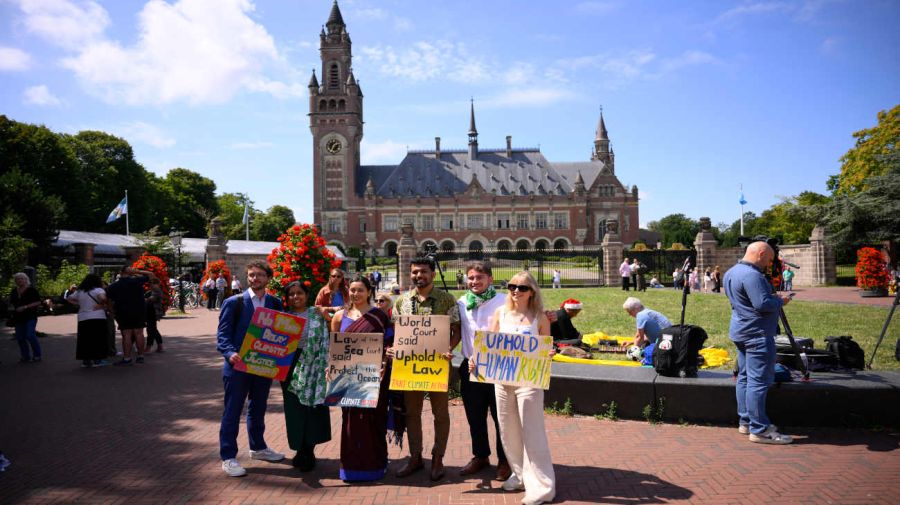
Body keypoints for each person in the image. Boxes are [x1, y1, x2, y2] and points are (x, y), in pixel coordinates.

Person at [483, 271, 556, 505]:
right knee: (508, 430)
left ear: (532, 292)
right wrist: (478, 359)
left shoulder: (540, 317)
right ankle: (520, 474)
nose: (516, 291)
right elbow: (489, 344)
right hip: (503, 381)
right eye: (512, 286)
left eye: (522, 288)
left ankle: (542, 487)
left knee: (532, 433)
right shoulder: (500, 313)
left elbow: (546, 349)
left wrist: (549, 354)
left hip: (529, 382)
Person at [392, 257, 461, 481]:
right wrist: (394, 349)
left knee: (440, 413)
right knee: (412, 413)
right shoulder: (402, 301)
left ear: (432, 274)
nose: (418, 276)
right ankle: (415, 457)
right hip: (410, 367)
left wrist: (449, 349)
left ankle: (438, 457)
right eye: (414, 272)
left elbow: (457, 330)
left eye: (423, 272)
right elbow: (398, 331)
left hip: (437, 366)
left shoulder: (446, 299)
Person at [216, 261, 285, 477]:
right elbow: (223, 335)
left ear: (268, 278)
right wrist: (229, 352)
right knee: (232, 410)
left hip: (263, 365)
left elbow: (282, 332)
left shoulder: (275, 302)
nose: (255, 278)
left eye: (260, 275)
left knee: (258, 408)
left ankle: (258, 448)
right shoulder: (234, 302)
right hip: (238, 366)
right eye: (252, 275)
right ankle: (228, 457)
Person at [331, 275, 401, 482]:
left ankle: (377, 465)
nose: (356, 294)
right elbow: (335, 346)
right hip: (348, 378)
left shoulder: (379, 316)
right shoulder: (339, 316)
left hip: (374, 376)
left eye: (360, 290)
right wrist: (331, 368)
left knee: (373, 421)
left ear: (369, 292)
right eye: (352, 290)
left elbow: (389, 342)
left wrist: (386, 360)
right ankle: (350, 468)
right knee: (350, 422)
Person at [724, 242, 794, 444]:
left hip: (741, 331)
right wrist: (781, 300)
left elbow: (743, 301)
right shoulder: (753, 275)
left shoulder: (732, 272)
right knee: (758, 382)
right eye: (769, 259)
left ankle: (746, 421)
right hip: (757, 334)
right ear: (761, 254)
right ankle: (760, 429)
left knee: (744, 378)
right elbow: (762, 304)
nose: (769, 264)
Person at [456, 261, 511, 481]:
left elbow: (526, 318)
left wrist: (549, 317)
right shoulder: (461, 302)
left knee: (502, 417)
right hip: (470, 366)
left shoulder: (504, 301)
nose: (474, 282)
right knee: (474, 415)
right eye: (471, 278)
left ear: (490, 278)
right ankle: (480, 455)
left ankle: (505, 460)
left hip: (498, 367)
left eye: (479, 277)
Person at [280, 281, 331, 472]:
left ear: (306, 295)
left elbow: (327, 337)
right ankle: (299, 448)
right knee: (293, 407)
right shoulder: (283, 317)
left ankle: (309, 448)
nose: (295, 297)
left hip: (314, 365)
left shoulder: (317, 314)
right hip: (289, 365)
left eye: (299, 293)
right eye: (291, 294)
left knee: (312, 406)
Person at [106, 267, 156, 366]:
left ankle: (127, 358)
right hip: (139, 311)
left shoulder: (113, 286)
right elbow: (151, 274)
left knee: (126, 334)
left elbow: (109, 301)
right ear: (130, 272)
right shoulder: (137, 281)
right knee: (139, 333)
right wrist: (137, 271)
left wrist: (112, 311)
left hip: (123, 312)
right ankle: (140, 356)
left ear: (120, 272)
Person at [68, 273, 110, 368]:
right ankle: (97, 360)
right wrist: (102, 304)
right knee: (98, 339)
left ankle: (86, 360)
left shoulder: (80, 291)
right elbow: (103, 298)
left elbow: (69, 298)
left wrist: (79, 304)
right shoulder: (98, 290)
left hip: (83, 317)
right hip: (97, 317)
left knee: (85, 340)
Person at [9, 272, 42, 363]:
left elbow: (38, 302)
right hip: (18, 317)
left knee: (30, 335)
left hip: (30, 316)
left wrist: (25, 307)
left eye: (21, 278)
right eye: (17, 279)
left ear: (26, 279)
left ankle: (37, 355)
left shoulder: (31, 290)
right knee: (20, 337)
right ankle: (25, 356)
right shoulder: (14, 291)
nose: (19, 280)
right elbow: (12, 303)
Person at [144, 277, 165, 353]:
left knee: (150, 330)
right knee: (153, 329)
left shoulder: (156, 290)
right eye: (150, 284)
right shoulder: (153, 290)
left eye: (152, 284)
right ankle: (160, 346)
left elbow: (152, 299)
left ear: (156, 284)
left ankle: (148, 347)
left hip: (153, 312)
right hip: (151, 312)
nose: (151, 285)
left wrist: (145, 299)